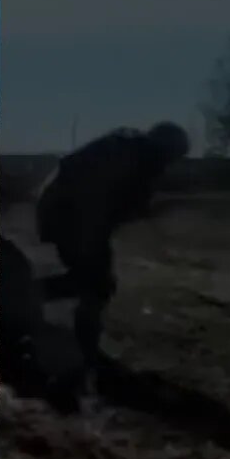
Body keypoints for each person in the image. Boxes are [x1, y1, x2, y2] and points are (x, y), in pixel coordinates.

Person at [34, 121, 190, 372]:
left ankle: (80, 341)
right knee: (95, 283)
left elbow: (123, 203)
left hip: (72, 215)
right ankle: (26, 299)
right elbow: (92, 196)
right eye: (172, 156)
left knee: (93, 282)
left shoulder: (135, 156)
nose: (170, 164)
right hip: (72, 216)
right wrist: (92, 237)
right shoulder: (128, 156)